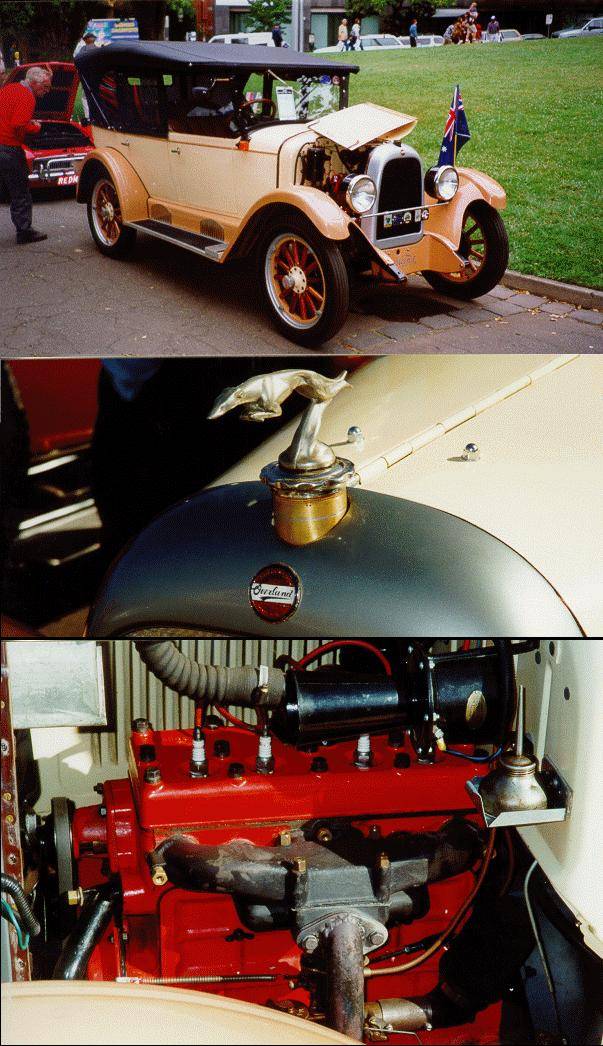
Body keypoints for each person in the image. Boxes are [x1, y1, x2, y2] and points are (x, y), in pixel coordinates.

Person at [0, 65, 52, 244]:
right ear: (33, 82)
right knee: (20, 192)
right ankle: (24, 231)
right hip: (9, 148)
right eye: (45, 87)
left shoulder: (8, 88)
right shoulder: (27, 96)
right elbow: (18, 125)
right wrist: (35, 126)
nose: (46, 91)